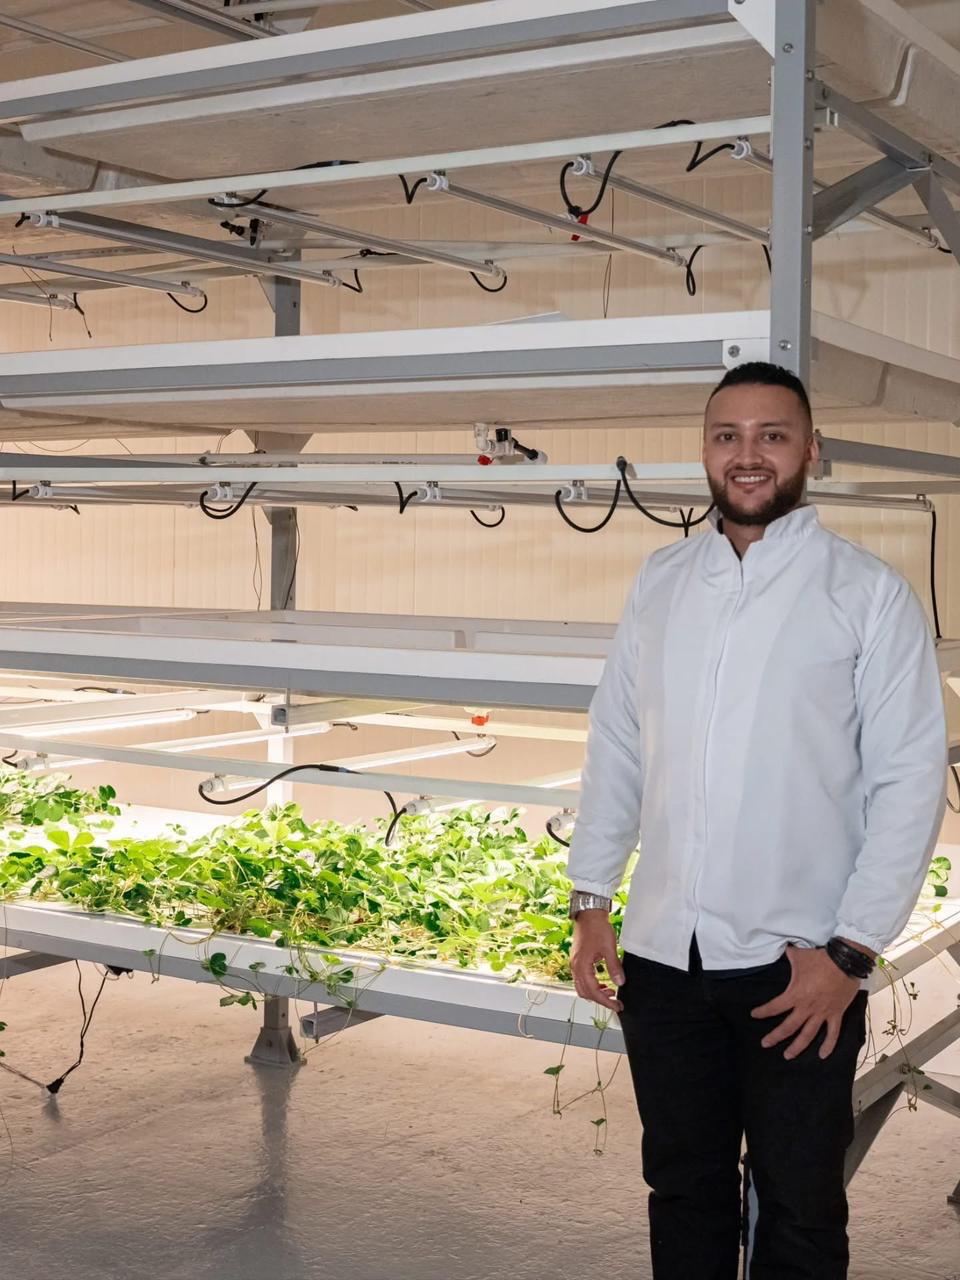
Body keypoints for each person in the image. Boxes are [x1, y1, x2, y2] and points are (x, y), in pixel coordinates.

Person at [566, 362, 947, 1280]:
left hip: (798, 971)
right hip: (664, 960)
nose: (748, 456)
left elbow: (909, 780)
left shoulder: (865, 595)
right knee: (684, 1189)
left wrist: (851, 955)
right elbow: (619, 743)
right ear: (705, 452)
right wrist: (591, 899)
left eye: (772, 435)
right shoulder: (661, 582)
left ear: (811, 450)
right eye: (727, 436)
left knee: (802, 1203)